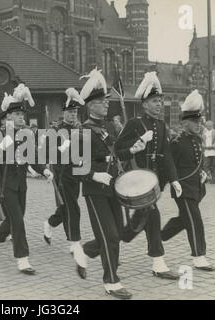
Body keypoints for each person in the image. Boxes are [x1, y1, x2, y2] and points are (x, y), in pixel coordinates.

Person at [115, 71, 181, 281]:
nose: (159, 105)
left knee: (139, 223)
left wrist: (174, 179)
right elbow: (118, 150)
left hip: (154, 182)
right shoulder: (135, 124)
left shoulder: (161, 126)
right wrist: (135, 146)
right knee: (153, 217)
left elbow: (167, 156)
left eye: (160, 101)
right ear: (144, 104)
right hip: (136, 181)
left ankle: (100, 245)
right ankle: (158, 263)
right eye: (154, 101)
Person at [75, 68, 132, 299]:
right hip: (95, 190)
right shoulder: (83, 131)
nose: (106, 105)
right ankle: (111, 281)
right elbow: (76, 165)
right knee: (109, 235)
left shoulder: (109, 127)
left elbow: (117, 152)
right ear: (90, 106)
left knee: (116, 233)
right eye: (101, 102)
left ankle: (84, 251)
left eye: (106, 101)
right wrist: (93, 175)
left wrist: (132, 149)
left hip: (113, 187)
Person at [0, 84, 54, 275]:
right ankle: (22, 259)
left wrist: (45, 171)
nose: (21, 118)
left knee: (14, 220)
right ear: (8, 116)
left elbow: (33, 158)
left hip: (21, 185)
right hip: (5, 184)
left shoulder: (26, 135)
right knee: (17, 221)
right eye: (17, 115)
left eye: (22, 115)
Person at [161, 90, 215, 272]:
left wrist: (203, 173)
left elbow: (198, 161)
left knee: (186, 218)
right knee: (195, 220)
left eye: (200, 121)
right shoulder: (176, 141)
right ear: (185, 122)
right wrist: (173, 181)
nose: (199, 125)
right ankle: (199, 256)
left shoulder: (197, 140)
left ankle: (158, 235)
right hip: (182, 188)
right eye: (195, 122)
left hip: (196, 188)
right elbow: (169, 165)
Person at [42, 87, 87, 279]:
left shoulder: (79, 129)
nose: (72, 115)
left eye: (75, 112)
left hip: (76, 175)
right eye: (69, 112)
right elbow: (51, 152)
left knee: (66, 207)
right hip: (62, 174)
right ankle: (74, 242)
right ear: (64, 113)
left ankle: (49, 224)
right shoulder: (57, 130)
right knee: (72, 208)